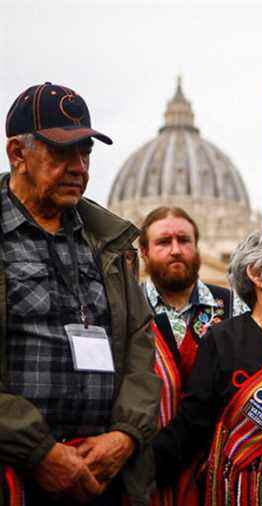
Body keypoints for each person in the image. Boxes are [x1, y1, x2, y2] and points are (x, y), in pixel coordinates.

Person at [0, 83, 160, 504]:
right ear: (18, 154)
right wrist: (39, 451)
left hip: (102, 478)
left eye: (85, 153)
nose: (78, 167)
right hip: (15, 476)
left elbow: (141, 353)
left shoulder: (110, 242)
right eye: (61, 153)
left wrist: (125, 436)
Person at [152, 231, 262, 506]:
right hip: (235, 490)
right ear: (257, 274)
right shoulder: (223, 341)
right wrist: (136, 465)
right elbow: (193, 424)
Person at [140, 206, 245, 505]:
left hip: (220, 469)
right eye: (164, 242)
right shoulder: (126, 307)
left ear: (197, 247)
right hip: (150, 469)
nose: (176, 250)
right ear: (144, 252)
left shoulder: (235, 305)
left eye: (184, 240)